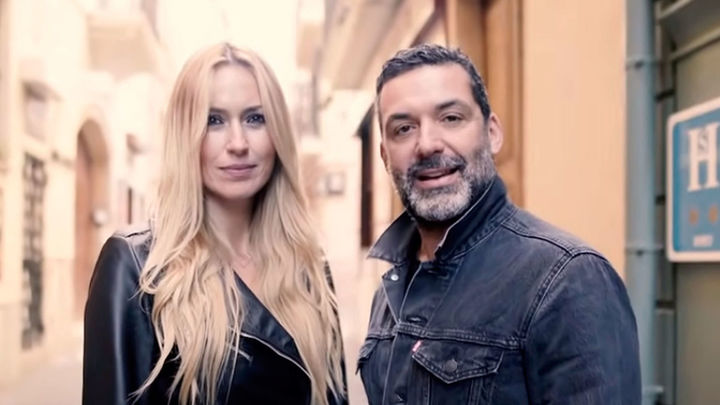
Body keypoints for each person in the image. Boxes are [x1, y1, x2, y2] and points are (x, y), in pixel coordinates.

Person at [357, 44, 640, 404]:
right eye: (403, 128)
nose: (426, 144)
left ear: (492, 133)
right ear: (385, 155)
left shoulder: (567, 280)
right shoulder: (390, 291)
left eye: (451, 118)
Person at [83, 43, 347, 405]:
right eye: (214, 120)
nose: (238, 143)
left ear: (278, 135)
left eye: (255, 118)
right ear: (185, 134)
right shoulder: (135, 265)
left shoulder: (309, 265)